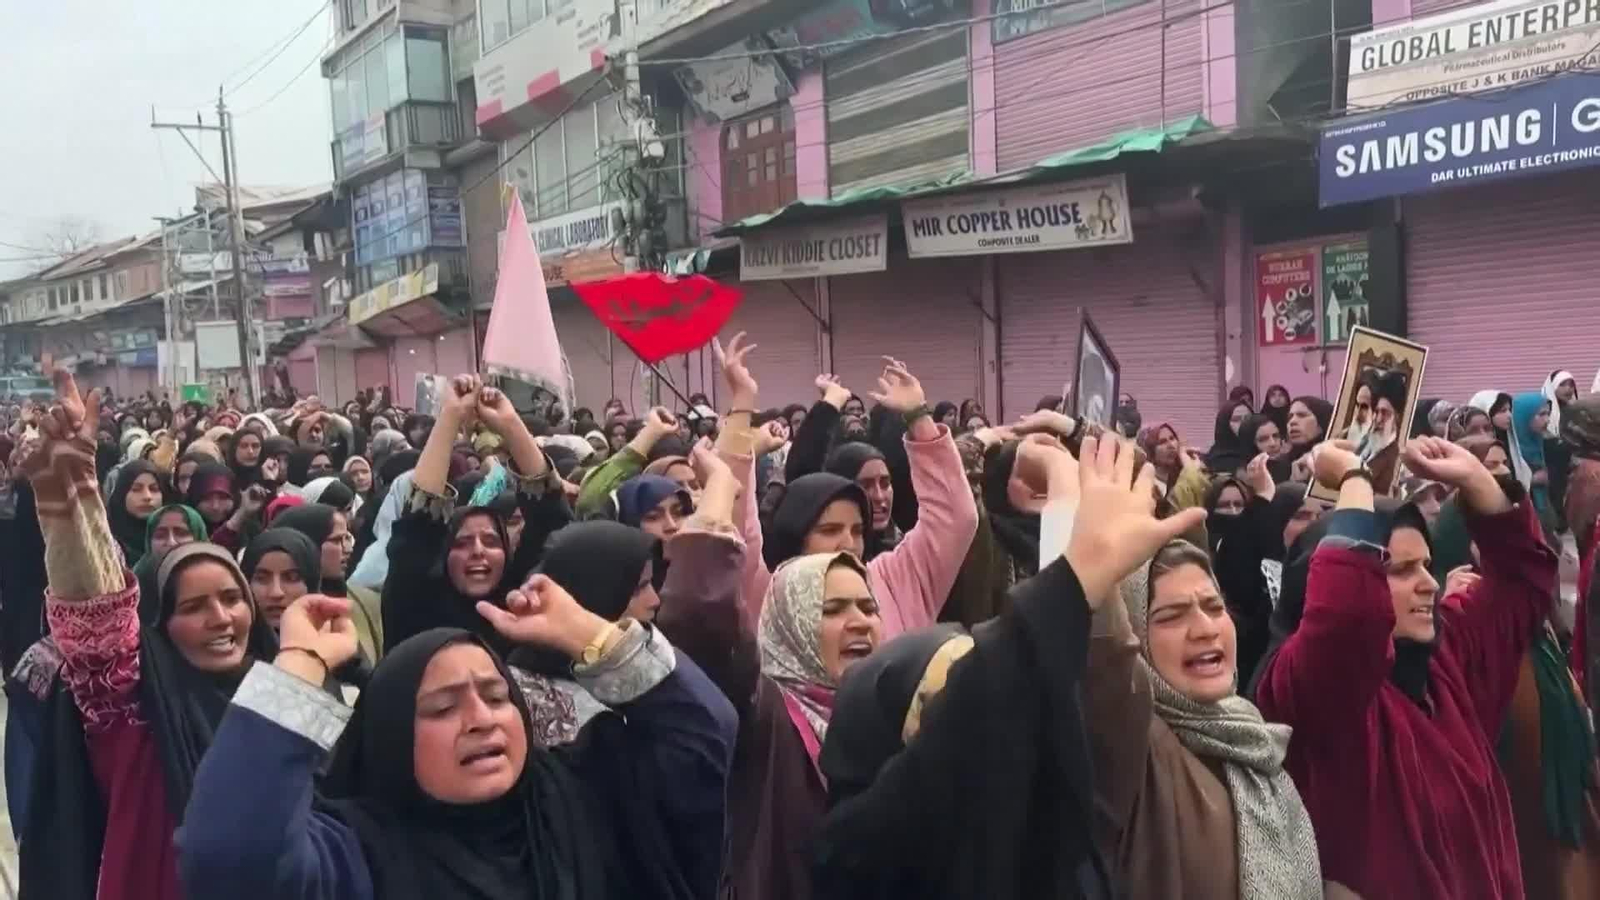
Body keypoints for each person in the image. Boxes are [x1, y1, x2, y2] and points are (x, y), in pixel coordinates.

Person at [812, 433, 1204, 900]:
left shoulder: (1044, 828)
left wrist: (1065, 501)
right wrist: (1075, 575)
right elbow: (973, 713)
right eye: (936, 702)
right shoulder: (860, 850)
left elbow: (1075, 691)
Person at [176, 583, 740, 900]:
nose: (480, 719)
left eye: (497, 697)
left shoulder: (585, 796)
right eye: (442, 708)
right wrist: (304, 661)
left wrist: (587, 634)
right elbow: (229, 856)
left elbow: (701, 731)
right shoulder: (355, 855)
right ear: (393, 740)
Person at [18, 367, 283, 900]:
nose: (221, 619)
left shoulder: (283, 696)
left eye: (232, 599)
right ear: (159, 625)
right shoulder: (133, 709)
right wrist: (73, 497)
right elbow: (99, 614)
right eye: (194, 606)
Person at [1253, 436, 1558, 899]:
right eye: (1398, 569)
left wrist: (1475, 477)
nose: (1429, 585)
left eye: (1427, 566)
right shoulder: (1305, 689)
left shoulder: (1444, 661)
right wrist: (1356, 481)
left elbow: (1521, 586)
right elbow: (1346, 620)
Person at [1089, 536, 1326, 898]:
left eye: (1215, 607)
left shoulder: (1253, 741)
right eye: (1171, 616)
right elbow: (1101, 651)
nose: (1205, 628)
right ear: (1135, 637)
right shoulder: (1133, 746)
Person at [382, 376, 568, 655]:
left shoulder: (522, 605)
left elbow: (550, 521)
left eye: (492, 542)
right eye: (462, 543)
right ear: (442, 553)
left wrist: (510, 424)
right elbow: (417, 530)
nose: (478, 551)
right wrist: (450, 416)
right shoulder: (415, 607)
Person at [130, 503, 208, 624]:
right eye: (160, 535)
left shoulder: (215, 577)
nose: (171, 542)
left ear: (198, 538)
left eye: (181, 533)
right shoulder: (136, 583)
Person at [107, 459, 166, 565]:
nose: (147, 497)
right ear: (122, 494)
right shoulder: (108, 544)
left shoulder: (173, 537)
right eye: (136, 489)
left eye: (154, 489)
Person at [1136, 423, 1209, 509]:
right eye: (1162, 442)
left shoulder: (1184, 469)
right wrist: (1190, 471)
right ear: (1150, 451)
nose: (1171, 445)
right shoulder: (1148, 484)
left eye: (1172, 438)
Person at [1283, 396, 1332, 477]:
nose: (1292, 422)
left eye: (1302, 415)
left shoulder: (1336, 461)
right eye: (1290, 417)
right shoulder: (1278, 467)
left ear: (1321, 421)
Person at [1204, 399, 1253, 475]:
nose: (1244, 423)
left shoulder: (1262, 452)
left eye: (1248, 418)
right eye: (1236, 419)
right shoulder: (1217, 461)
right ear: (1224, 425)